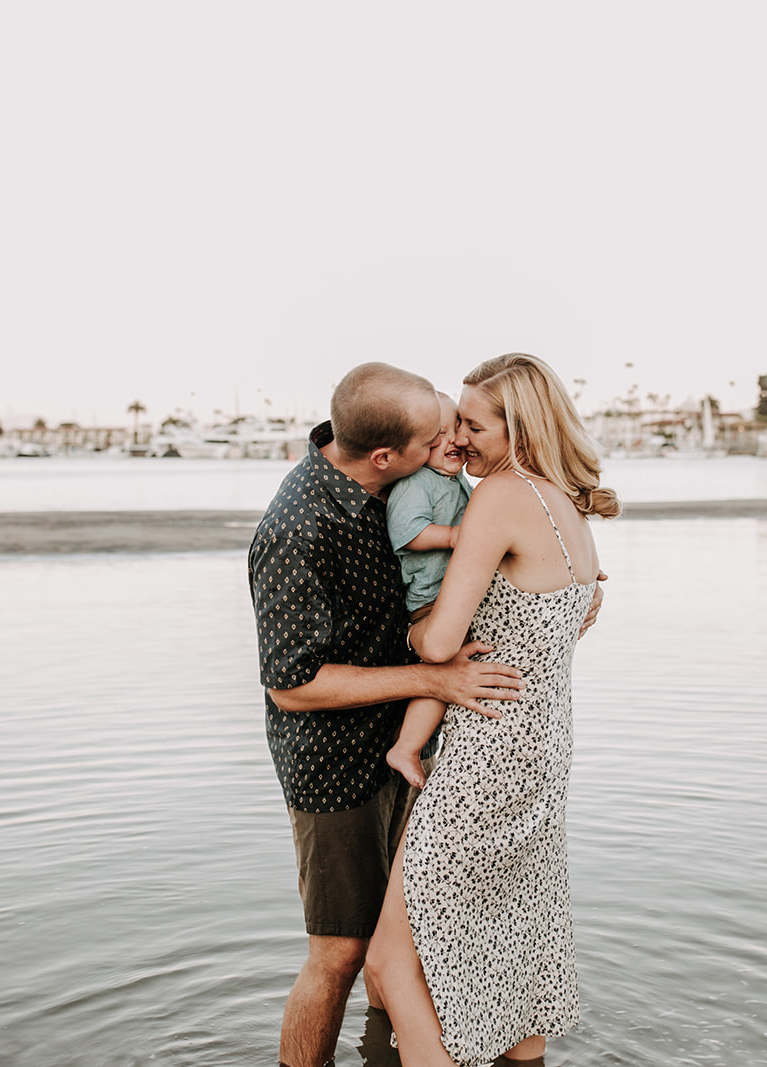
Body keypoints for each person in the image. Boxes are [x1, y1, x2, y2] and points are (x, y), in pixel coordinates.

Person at [248, 362, 538, 1067]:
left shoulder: (391, 481)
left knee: (398, 941)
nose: (452, 443)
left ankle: (384, 1051)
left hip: (403, 741)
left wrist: (559, 591)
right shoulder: (298, 528)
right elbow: (292, 685)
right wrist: (434, 675)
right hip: (334, 765)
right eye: (435, 436)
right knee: (340, 952)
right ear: (385, 454)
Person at [364, 353, 620, 1067]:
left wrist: (414, 632)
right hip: (543, 751)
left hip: (486, 753)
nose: (461, 438)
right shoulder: (566, 503)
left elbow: (444, 639)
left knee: (389, 963)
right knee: (516, 968)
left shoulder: (500, 497)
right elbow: (566, 619)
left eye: (473, 425)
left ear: (519, 426)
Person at [384, 391, 470, 790]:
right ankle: (408, 746)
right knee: (440, 673)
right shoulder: (416, 483)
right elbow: (409, 532)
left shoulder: (456, 481)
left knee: (456, 671)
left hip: (455, 596)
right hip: (430, 601)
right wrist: (458, 536)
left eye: (459, 427)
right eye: (438, 435)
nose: (454, 439)